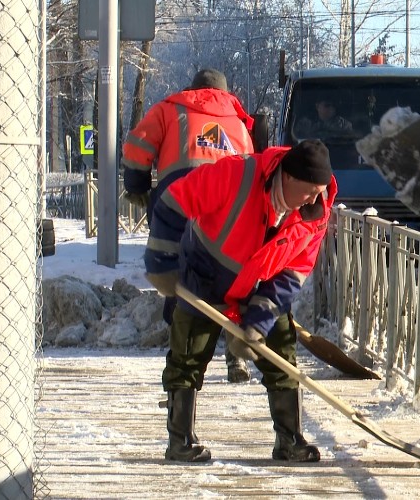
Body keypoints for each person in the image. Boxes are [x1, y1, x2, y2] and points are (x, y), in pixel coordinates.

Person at [143, 139, 336, 463]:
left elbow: (295, 272)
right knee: (188, 353)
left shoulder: (315, 213)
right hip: (204, 277)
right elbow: (173, 202)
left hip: (260, 285)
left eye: (320, 191)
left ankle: (289, 440)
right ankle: (180, 441)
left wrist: (258, 321)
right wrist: (163, 262)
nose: (315, 200)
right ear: (286, 177)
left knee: (281, 354)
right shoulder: (237, 175)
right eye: (309, 191)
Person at [121, 68, 256, 384]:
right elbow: (253, 168)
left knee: (177, 271)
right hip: (229, 208)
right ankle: (236, 356)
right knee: (231, 276)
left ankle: (181, 353)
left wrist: (138, 185)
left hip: (180, 202)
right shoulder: (238, 122)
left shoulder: (170, 108)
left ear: (191, 89)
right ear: (226, 93)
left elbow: (137, 146)